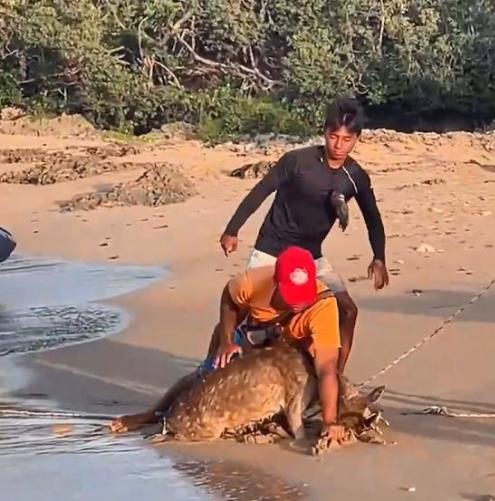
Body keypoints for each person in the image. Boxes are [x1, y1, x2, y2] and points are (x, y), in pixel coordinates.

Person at [219, 96, 388, 376]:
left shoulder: (355, 176)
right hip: (271, 250)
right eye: (334, 136)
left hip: (311, 256)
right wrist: (232, 229)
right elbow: (260, 191)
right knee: (250, 313)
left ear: (357, 139)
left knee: (348, 310)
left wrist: (379, 257)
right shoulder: (297, 161)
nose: (339, 144)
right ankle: (226, 361)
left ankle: (332, 377)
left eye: (347, 139)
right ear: (324, 133)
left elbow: (374, 219)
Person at [110, 246, 350, 443]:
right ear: (277, 282)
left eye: (304, 296)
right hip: (248, 331)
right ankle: (150, 415)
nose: (298, 304)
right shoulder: (251, 283)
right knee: (205, 377)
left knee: (310, 379)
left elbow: (327, 367)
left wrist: (330, 422)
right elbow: (229, 299)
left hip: (289, 345)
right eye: (292, 296)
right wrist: (226, 341)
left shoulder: (323, 305)